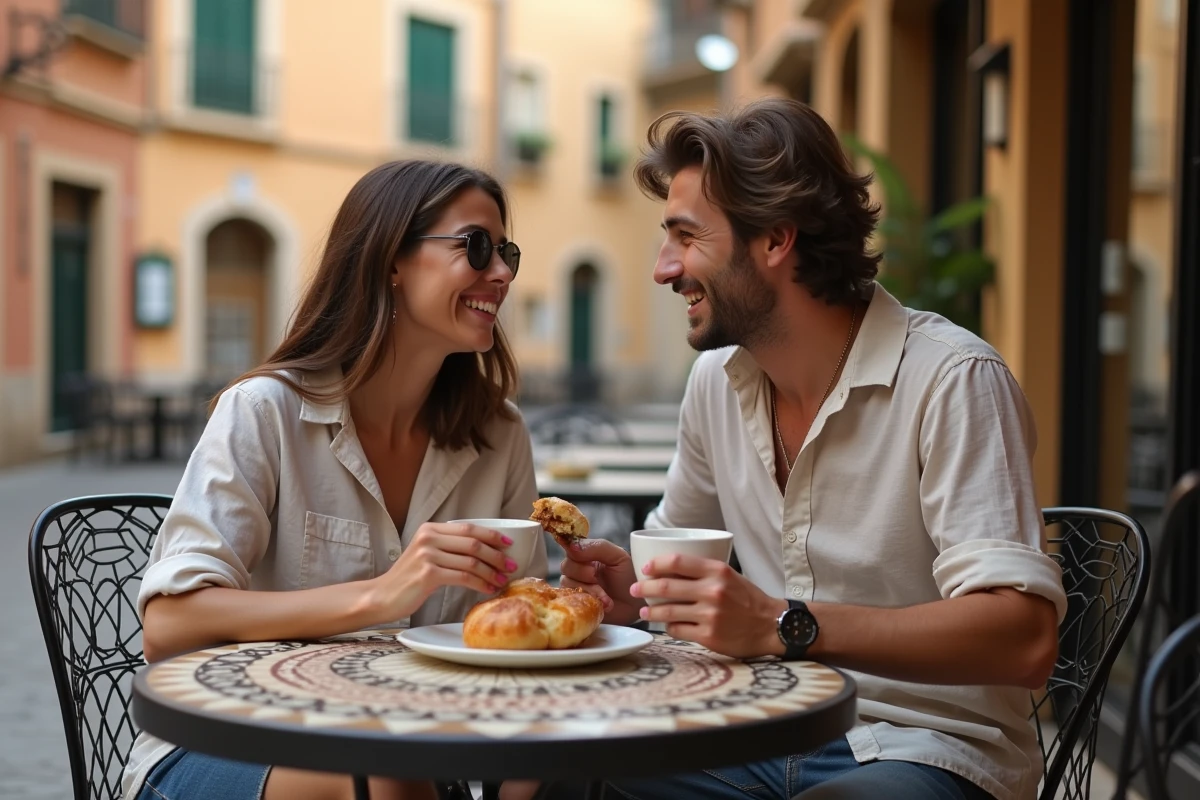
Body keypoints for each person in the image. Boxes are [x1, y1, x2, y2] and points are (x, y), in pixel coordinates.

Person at [556, 98, 1068, 800]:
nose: (663, 268)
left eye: (684, 237)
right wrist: (635, 596)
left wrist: (783, 626)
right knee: (571, 774)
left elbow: (1025, 639)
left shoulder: (952, 380)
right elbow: (679, 573)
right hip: (753, 727)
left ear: (775, 241)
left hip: (923, 749)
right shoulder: (716, 383)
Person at [122, 159, 547, 800]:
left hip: (425, 755)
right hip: (235, 742)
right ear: (390, 263)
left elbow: (523, 629)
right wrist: (379, 598)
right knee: (387, 782)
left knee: (555, 771)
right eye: (477, 247)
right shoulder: (265, 411)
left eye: (506, 251)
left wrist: (597, 605)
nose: (503, 273)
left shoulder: (499, 433)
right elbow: (170, 625)